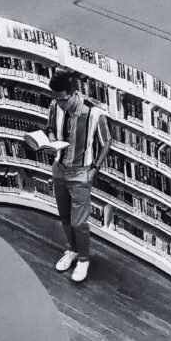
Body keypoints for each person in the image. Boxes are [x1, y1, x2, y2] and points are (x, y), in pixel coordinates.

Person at [43, 72, 112, 282]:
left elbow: (106, 142)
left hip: (81, 173)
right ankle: (72, 250)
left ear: (74, 94)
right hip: (59, 169)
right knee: (64, 216)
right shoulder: (54, 106)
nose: (60, 104)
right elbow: (50, 128)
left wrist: (94, 170)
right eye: (56, 99)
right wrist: (50, 140)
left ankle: (83, 259)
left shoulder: (94, 114)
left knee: (79, 222)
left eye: (63, 100)